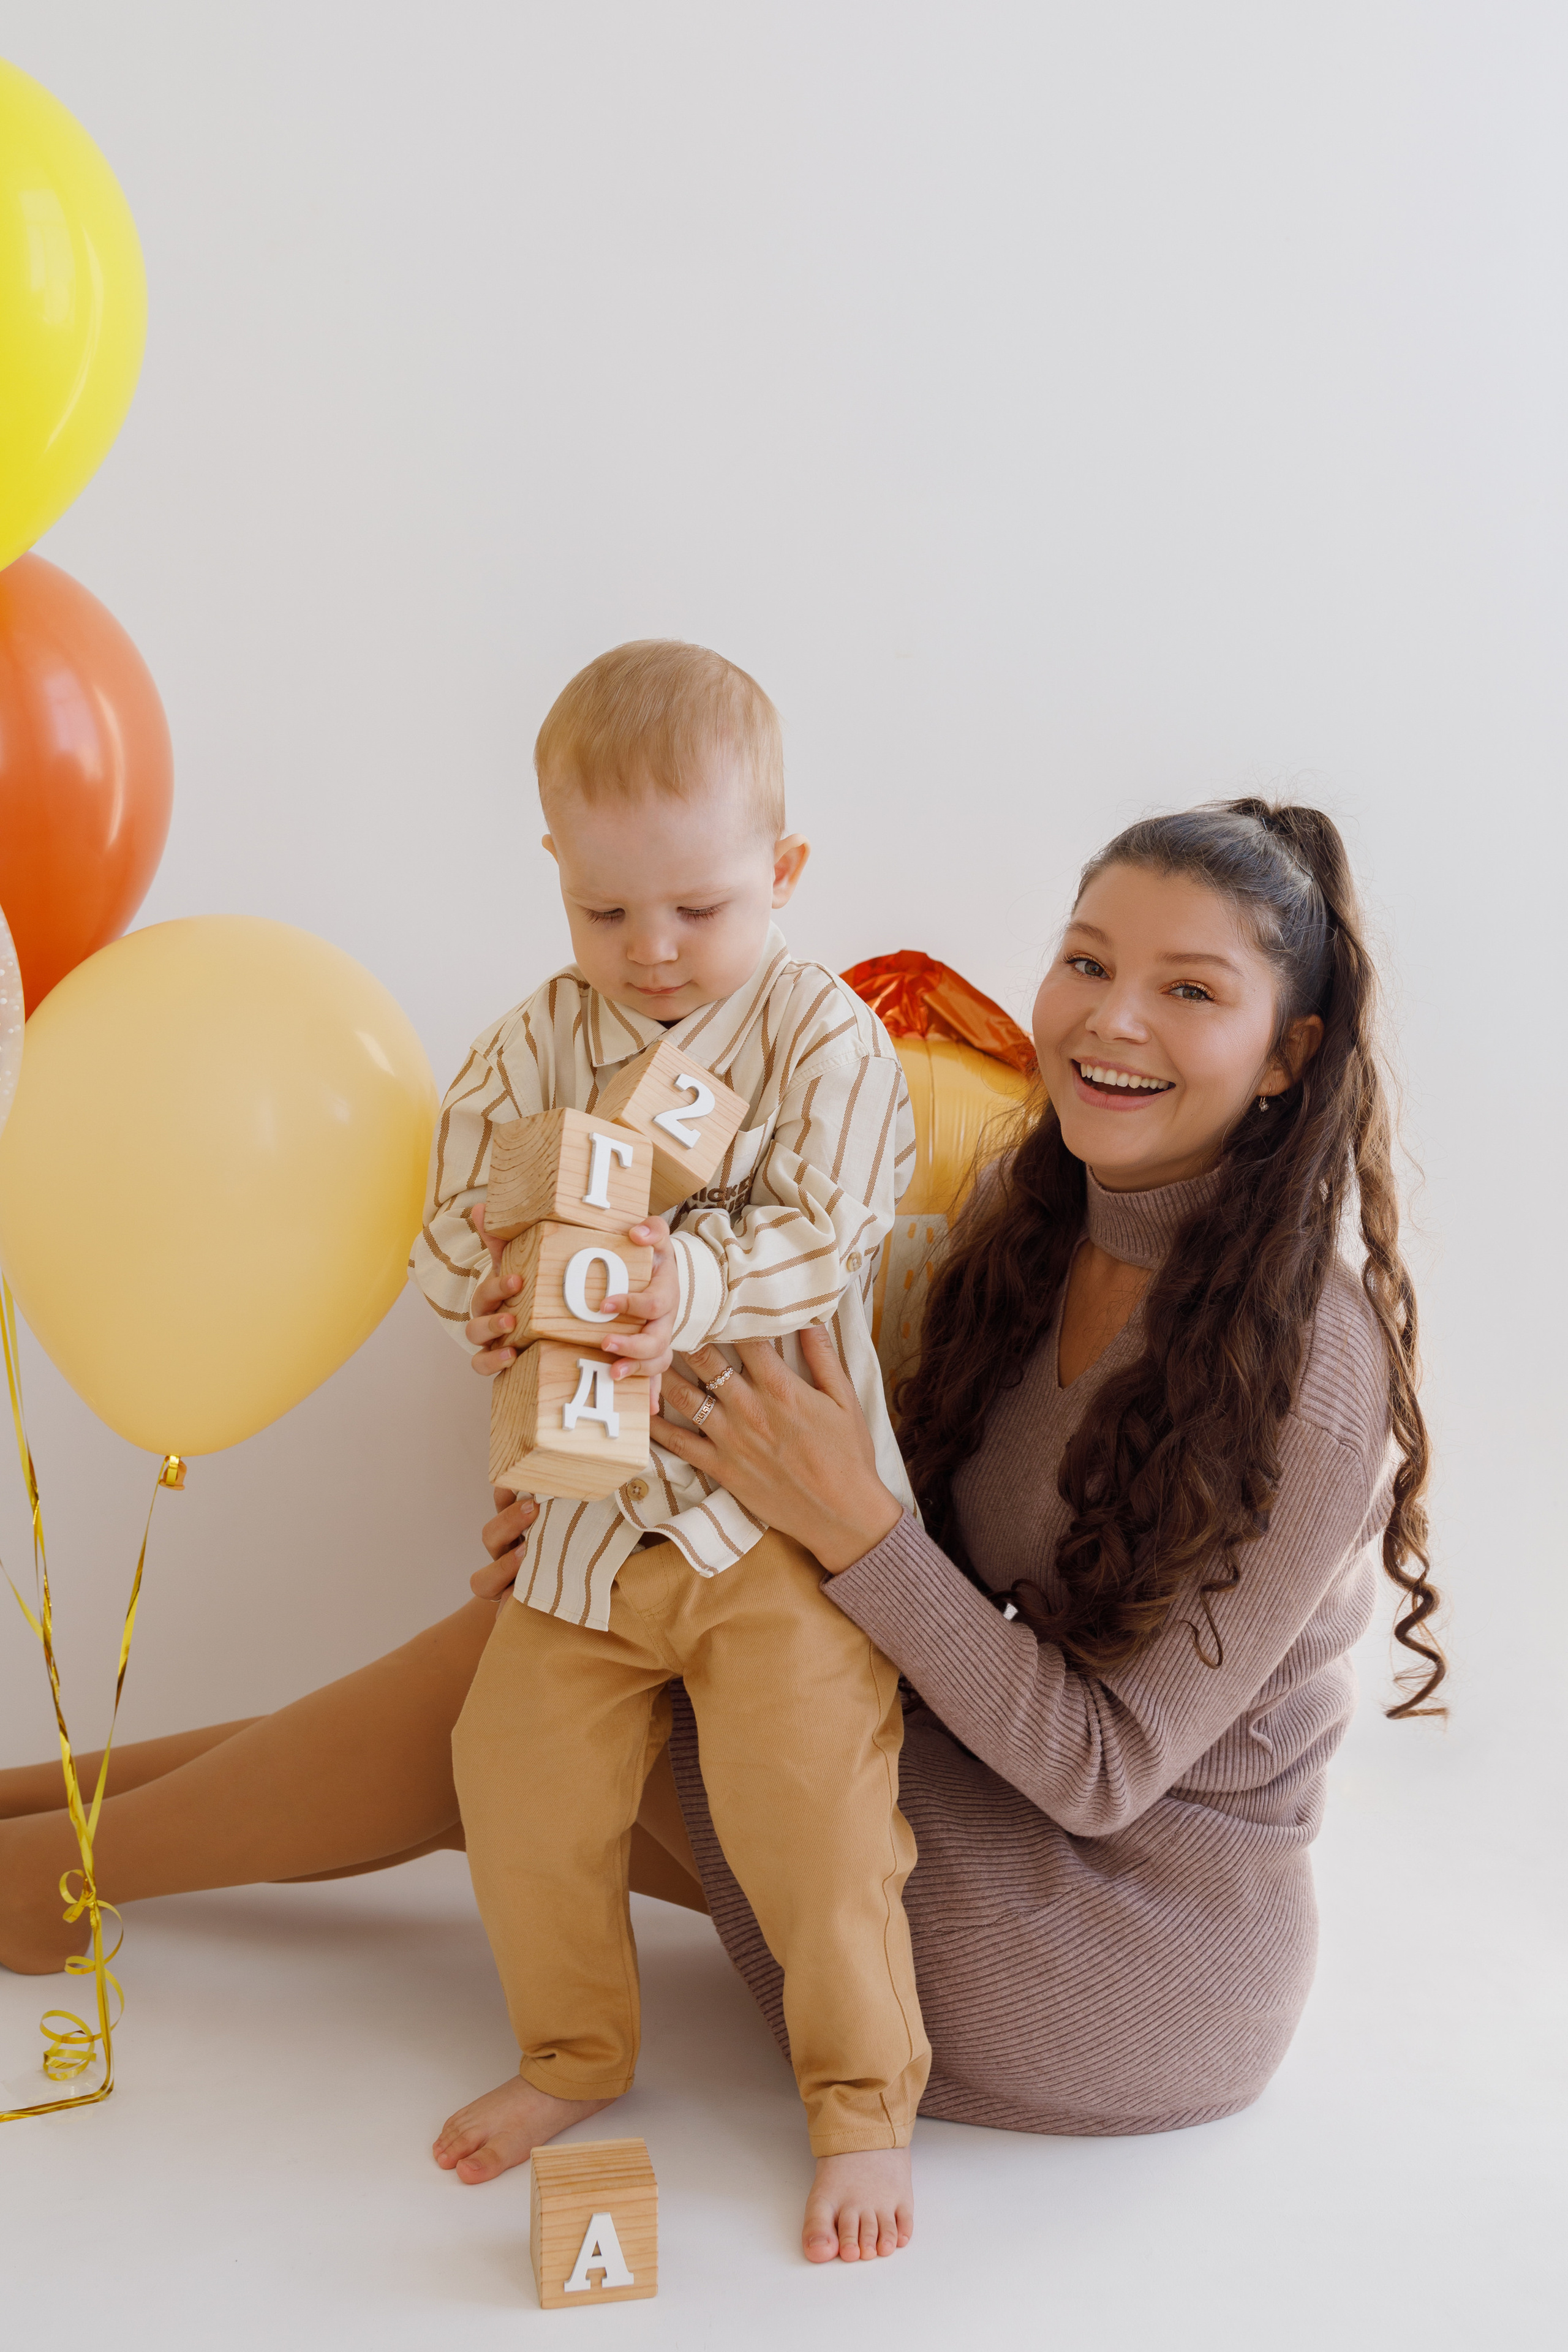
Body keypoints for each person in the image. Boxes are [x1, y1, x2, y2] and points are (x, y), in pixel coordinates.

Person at [0, 797, 1443, 2267]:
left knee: (574, 1673)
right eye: (1084, 961)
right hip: (981, 1803)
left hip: (1113, 1951)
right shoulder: (1038, 1227)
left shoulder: (1313, 1372)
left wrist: (855, 1529)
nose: (1108, 1018)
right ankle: (37, 1831)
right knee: (553, 1661)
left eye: (1188, 991)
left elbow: (1101, 1769)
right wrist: (598, 1515)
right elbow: (890, 1545)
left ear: (1288, 1054)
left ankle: (44, 1875)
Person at [410, 638, 929, 2259]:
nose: (651, 952)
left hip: (767, 1530)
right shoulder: (526, 1053)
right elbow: (443, 1235)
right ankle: (574, 2051)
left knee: (815, 1818)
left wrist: (679, 1275)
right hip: (586, 1529)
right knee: (511, 1773)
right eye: (605, 912)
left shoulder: (824, 1039)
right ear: (555, 873)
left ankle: (862, 2107)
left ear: (779, 873)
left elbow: (832, 1236)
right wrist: (490, 1297)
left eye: (699, 909)